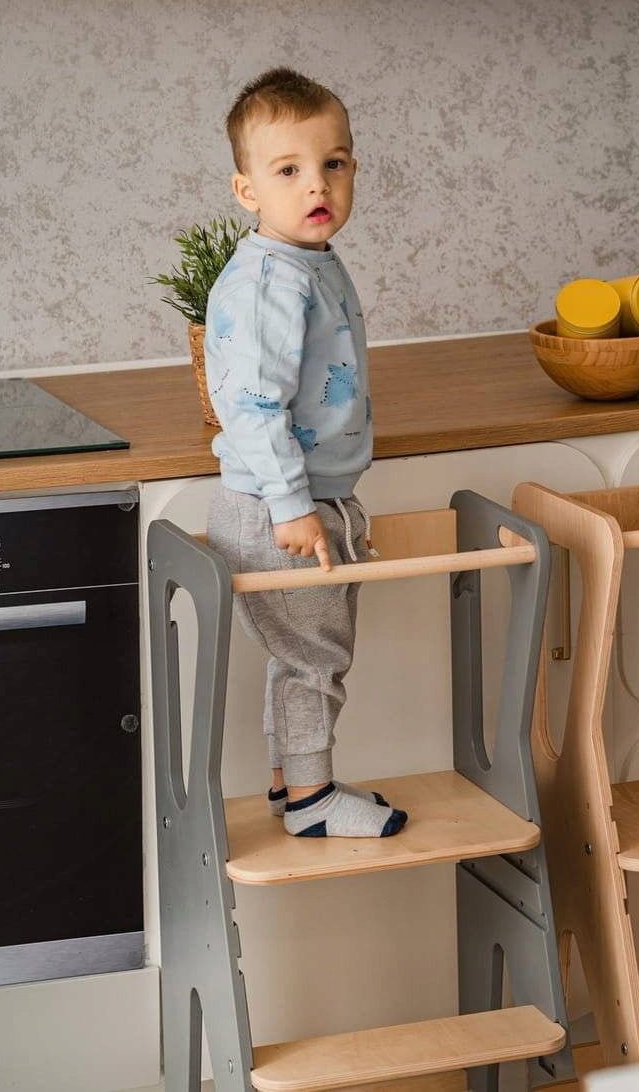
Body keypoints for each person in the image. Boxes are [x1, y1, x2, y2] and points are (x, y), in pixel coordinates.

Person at [204, 66, 407, 839]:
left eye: (334, 163)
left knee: (303, 653)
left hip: (302, 499)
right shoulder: (269, 282)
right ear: (247, 190)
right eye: (287, 170)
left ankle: (292, 783)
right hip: (276, 506)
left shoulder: (308, 260)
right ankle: (313, 802)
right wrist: (292, 506)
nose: (317, 183)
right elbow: (253, 409)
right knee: (314, 660)